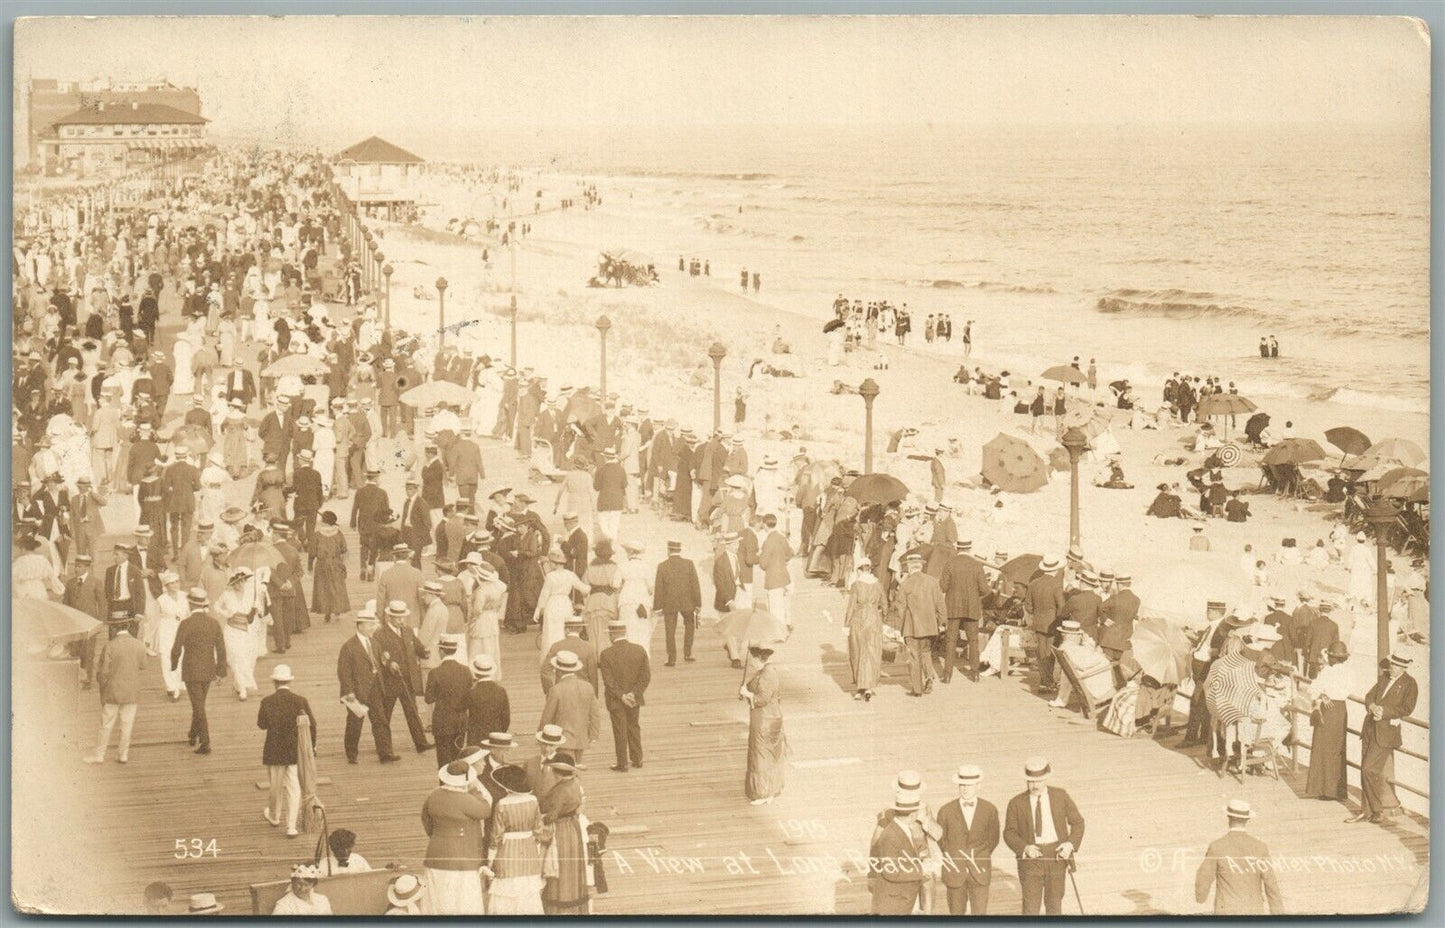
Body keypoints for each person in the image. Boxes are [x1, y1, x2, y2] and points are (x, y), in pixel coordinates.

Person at [1002, 757, 1084, 916]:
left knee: (1054, 907)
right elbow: (1009, 832)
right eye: (1030, 781)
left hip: (1056, 856)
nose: (1035, 785)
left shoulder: (1061, 796)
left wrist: (1070, 844)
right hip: (1031, 859)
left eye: (1038, 781)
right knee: (1030, 909)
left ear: (1046, 779)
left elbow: (1078, 823)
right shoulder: (1016, 803)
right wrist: (1024, 848)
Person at [1351, 654, 1418, 824]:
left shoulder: (1410, 683)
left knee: (1368, 769)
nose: (1391, 667)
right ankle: (1368, 810)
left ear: (1403, 667)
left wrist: (1384, 712)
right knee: (1365, 769)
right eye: (1391, 664)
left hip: (1386, 733)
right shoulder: (1384, 678)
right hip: (1369, 728)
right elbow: (1369, 696)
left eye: (1395, 665)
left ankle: (1377, 810)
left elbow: (1407, 708)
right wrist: (1372, 706)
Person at [422, 761, 490, 914]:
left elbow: (426, 821)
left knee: (437, 897)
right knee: (462, 899)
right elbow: (485, 810)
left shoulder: (434, 795)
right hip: (462, 857)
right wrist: (475, 791)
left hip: (435, 853)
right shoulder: (466, 799)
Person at [257, 664, 316, 838]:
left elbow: (262, 724)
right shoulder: (300, 701)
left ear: (274, 682)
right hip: (294, 751)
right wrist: (312, 747)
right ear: (289, 681)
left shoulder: (267, 701)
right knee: (294, 788)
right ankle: (291, 826)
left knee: (275, 787)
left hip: (274, 751)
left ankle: (274, 816)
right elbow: (312, 724)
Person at [1194, 800, 1283, 914]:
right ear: (1247, 820)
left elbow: (1204, 875)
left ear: (1228, 818)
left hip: (1225, 911)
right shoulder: (1260, 847)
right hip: (1253, 910)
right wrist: (1279, 914)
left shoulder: (1217, 846)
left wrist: (1201, 896)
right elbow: (1271, 884)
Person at [337, 604, 399, 764]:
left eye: (374, 624)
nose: (373, 627)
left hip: (375, 688)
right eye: (370, 625)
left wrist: (387, 662)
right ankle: (351, 753)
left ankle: (385, 753)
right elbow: (344, 672)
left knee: (381, 720)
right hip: (357, 691)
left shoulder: (375, 643)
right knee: (355, 723)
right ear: (360, 625)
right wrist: (348, 691)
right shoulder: (349, 647)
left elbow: (379, 661)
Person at [84, 611, 148, 765]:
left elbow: (103, 672)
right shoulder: (139, 644)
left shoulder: (110, 646)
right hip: (131, 691)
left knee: (106, 724)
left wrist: (102, 688)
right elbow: (143, 665)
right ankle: (123, 754)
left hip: (112, 691)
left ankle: (99, 755)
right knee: (127, 724)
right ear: (128, 625)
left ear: (113, 628)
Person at [935, 764, 999, 914]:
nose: (964, 789)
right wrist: (955, 855)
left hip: (980, 872)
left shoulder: (989, 809)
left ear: (979, 786)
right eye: (961, 785)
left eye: (969, 785)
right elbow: (941, 841)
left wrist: (979, 855)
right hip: (954, 873)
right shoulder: (945, 810)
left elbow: (993, 839)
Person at [171, 588, 226, 755]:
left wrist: (173, 665)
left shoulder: (186, 624)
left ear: (190, 604)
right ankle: (193, 734)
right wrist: (220, 671)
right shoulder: (214, 623)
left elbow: (176, 648)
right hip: (209, 669)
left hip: (191, 670)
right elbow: (221, 649)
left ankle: (205, 742)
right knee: (199, 703)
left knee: (198, 705)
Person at [485, 764, 546, 915]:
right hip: (529, 847)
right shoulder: (533, 800)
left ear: (506, 787)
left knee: (507, 886)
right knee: (528, 889)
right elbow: (538, 829)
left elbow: (496, 836)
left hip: (508, 849)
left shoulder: (502, 804)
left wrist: (490, 859)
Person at [538, 750, 590, 914]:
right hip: (573, 828)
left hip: (562, 831)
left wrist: (540, 818)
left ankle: (560, 911)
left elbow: (552, 815)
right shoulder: (575, 782)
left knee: (560, 867)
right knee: (573, 867)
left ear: (558, 773)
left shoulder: (560, 790)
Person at [599, 620, 650, 772]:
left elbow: (608, 681)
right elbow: (645, 677)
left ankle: (622, 763)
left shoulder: (606, 654)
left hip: (616, 700)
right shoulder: (639, 650)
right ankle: (637, 759)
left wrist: (621, 696)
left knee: (619, 729)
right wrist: (633, 693)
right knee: (634, 726)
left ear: (612, 635)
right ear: (624, 633)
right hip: (634, 698)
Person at [869, 789, 929, 914]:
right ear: (913, 814)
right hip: (893, 904)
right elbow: (891, 871)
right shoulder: (891, 835)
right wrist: (923, 869)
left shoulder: (900, 829)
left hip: (899, 898)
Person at [741, 646, 788, 804]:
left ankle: (762, 791)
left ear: (757, 658)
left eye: (752, 660)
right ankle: (771, 790)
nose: (751, 663)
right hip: (771, 717)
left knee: (760, 754)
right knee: (770, 754)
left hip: (764, 721)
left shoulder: (766, 675)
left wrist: (747, 694)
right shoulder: (767, 672)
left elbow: (762, 699)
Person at [939, 540, 989, 683]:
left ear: (957, 548)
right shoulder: (977, 565)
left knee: (950, 640)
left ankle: (947, 675)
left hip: (953, 606)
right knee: (973, 640)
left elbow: (942, 587)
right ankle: (975, 673)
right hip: (972, 607)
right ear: (969, 548)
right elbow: (985, 589)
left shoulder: (950, 564)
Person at [897, 552, 945, 697]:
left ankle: (917, 689)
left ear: (909, 568)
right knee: (926, 652)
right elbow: (940, 603)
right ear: (921, 566)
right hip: (930, 626)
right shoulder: (932, 581)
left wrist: (901, 628)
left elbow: (900, 607)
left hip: (911, 627)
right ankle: (929, 677)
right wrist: (942, 622)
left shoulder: (905, 584)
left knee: (914, 656)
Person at [539, 650, 601, 761]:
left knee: (563, 770)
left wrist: (541, 736)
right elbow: (595, 714)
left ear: (558, 670)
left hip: (562, 739)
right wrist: (593, 735)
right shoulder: (587, 687)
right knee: (576, 769)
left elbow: (547, 717)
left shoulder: (556, 690)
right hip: (582, 738)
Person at [842, 556, 884, 700]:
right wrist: (881, 617)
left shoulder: (856, 585)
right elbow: (885, 606)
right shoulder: (878, 584)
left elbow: (851, 606)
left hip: (858, 620)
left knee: (857, 652)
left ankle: (860, 687)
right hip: (874, 620)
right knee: (872, 652)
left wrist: (846, 624)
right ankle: (870, 687)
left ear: (860, 570)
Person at [425, 635, 472, 767]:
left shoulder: (435, 673)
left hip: (442, 722)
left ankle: (444, 786)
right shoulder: (465, 670)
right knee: (457, 758)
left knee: (443, 762)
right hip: (460, 721)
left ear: (441, 651)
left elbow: (428, 699)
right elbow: (469, 695)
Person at [654, 539, 702, 666]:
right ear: (679, 550)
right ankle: (688, 653)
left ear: (668, 550)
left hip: (670, 603)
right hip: (688, 602)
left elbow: (659, 588)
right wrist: (698, 603)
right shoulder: (689, 564)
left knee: (670, 630)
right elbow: (695, 585)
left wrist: (658, 607)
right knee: (690, 626)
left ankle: (671, 658)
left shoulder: (662, 566)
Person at [308, 510, 350, 623]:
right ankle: (337, 609)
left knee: (323, 588)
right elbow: (344, 549)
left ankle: (326, 612)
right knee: (336, 586)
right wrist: (343, 563)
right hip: (336, 563)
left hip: (321, 564)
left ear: (324, 521)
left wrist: (310, 566)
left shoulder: (317, 535)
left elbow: (312, 552)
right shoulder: (338, 533)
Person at [466, 654, 511, 746]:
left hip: (476, 737)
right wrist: (501, 731)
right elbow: (506, 718)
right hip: (496, 735)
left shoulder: (472, 692)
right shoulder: (501, 691)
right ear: (491, 671)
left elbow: (467, 715)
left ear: (475, 673)